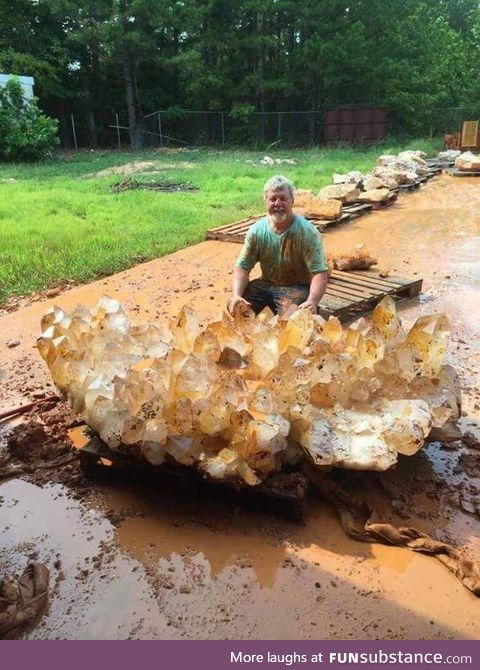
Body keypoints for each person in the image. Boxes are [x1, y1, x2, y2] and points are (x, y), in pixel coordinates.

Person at [228, 175, 329, 315]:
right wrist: (237, 295)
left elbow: (319, 273)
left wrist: (312, 301)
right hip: (265, 285)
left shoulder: (307, 232)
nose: (278, 204)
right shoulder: (257, 231)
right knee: (237, 307)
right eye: (273, 199)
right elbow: (242, 267)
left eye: (283, 198)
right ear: (266, 202)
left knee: (294, 320)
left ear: (292, 201)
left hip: (296, 287)